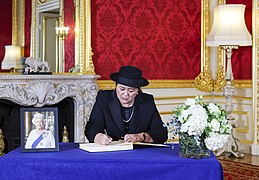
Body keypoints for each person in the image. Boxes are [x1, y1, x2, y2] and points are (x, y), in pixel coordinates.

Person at [85, 65, 168, 145]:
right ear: (116, 87)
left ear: (137, 91)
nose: (125, 94)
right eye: (122, 89)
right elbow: (92, 126)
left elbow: (161, 133)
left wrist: (141, 137)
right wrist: (99, 137)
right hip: (113, 149)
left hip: (139, 152)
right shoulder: (104, 98)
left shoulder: (147, 101)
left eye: (131, 91)